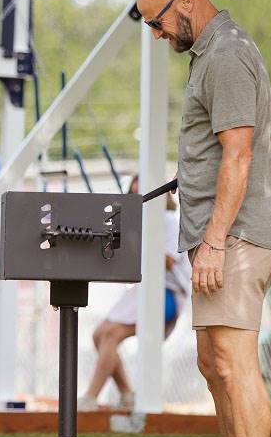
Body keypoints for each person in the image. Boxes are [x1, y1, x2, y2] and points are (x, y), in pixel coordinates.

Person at [136, 0, 271, 437]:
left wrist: (217, 240)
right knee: (211, 363)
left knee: (234, 365)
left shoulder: (224, 54)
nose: (156, 35)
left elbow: (242, 153)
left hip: (236, 237)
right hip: (225, 231)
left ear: (184, 0)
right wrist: (200, 173)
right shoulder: (221, 51)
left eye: (157, 23)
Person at [80, 175, 191, 411]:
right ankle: (127, 394)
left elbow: (169, 261)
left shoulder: (169, 220)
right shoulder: (138, 226)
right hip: (144, 290)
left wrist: (136, 242)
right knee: (99, 335)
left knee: (110, 336)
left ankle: (90, 397)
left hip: (166, 293)